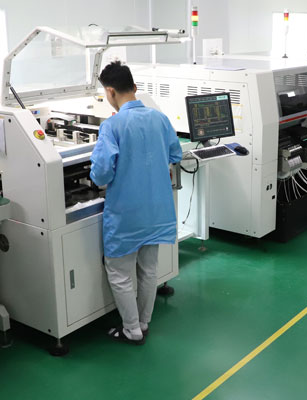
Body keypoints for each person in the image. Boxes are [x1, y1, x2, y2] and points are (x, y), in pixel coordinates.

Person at [90, 61, 183, 345]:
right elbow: (175, 154)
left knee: (119, 273)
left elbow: (101, 174)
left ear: (110, 91)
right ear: (134, 87)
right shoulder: (159, 119)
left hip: (127, 215)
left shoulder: (112, 125)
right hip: (156, 210)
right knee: (148, 270)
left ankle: (131, 330)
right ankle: (143, 322)